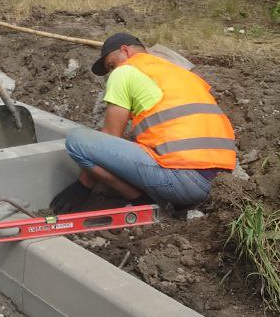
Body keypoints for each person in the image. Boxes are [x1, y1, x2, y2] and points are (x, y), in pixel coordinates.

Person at [50, 33, 237, 212]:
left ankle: (140, 200)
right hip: (221, 183)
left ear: (126, 51)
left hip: (185, 182)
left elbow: (110, 136)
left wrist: (83, 186)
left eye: (112, 65)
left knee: (77, 141)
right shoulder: (179, 73)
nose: (112, 73)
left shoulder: (125, 71)